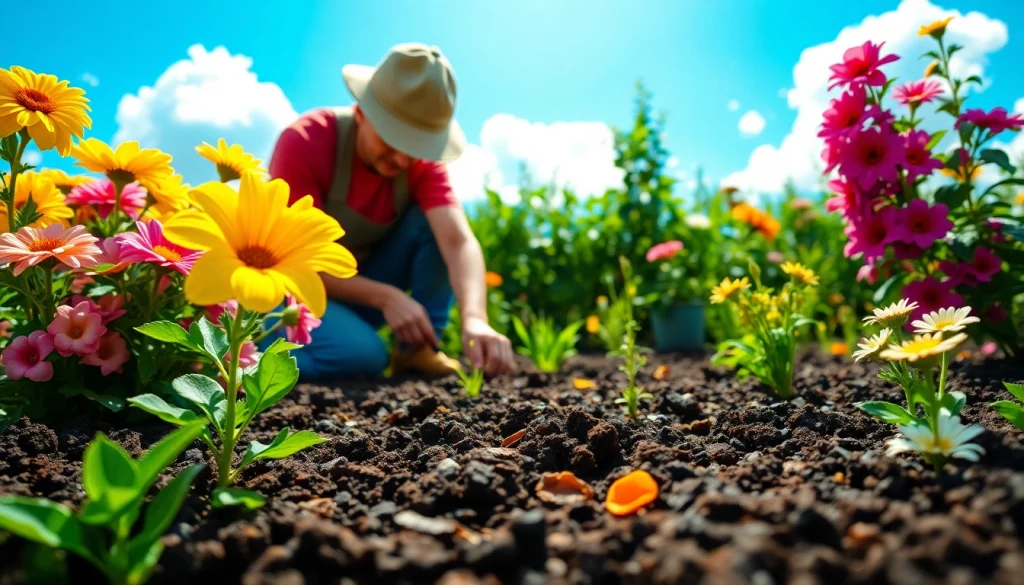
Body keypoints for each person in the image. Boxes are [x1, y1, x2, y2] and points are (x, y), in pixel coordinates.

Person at [267, 43, 513, 381]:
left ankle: (417, 352)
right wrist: (386, 296)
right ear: (361, 113)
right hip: (292, 298)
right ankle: (240, 370)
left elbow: (457, 242)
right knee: (362, 357)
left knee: (432, 224)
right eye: (392, 140)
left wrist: (475, 317)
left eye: (414, 148)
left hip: (359, 299)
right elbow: (295, 261)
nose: (401, 160)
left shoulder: (421, 166)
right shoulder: (307, 142)